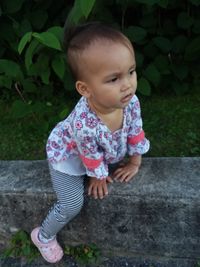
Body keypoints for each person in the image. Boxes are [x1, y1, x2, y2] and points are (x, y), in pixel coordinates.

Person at [31, 21, 150, 263]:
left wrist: (135, 162)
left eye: (131, 71)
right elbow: (89, 153)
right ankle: (43, 235)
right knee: (72, 202)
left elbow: (136, 131)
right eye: (114, 79)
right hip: (68, 156)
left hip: (96, 154)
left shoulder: (131, 102)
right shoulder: (84, 124)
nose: (127, 84)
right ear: (85, 89)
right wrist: (97, 175)